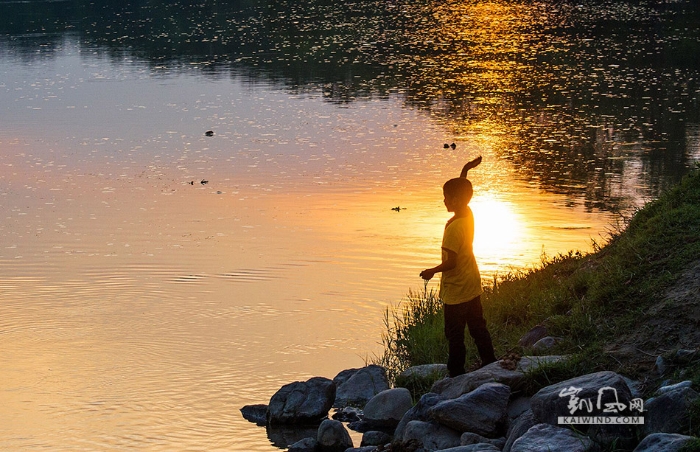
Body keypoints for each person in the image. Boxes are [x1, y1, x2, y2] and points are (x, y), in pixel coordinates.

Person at [420, 163, 496, 377]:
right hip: (471, 284)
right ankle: (490, 361)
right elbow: (464, 191)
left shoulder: (454, 229)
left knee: (454, 335)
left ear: (456, 200)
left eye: (446, 197)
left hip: (456, 292)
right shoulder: (468, 214)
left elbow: (451, 263)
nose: (444, 200)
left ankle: (456, 373)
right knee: (478, 327)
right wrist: (465, 170)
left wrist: (431, 271)